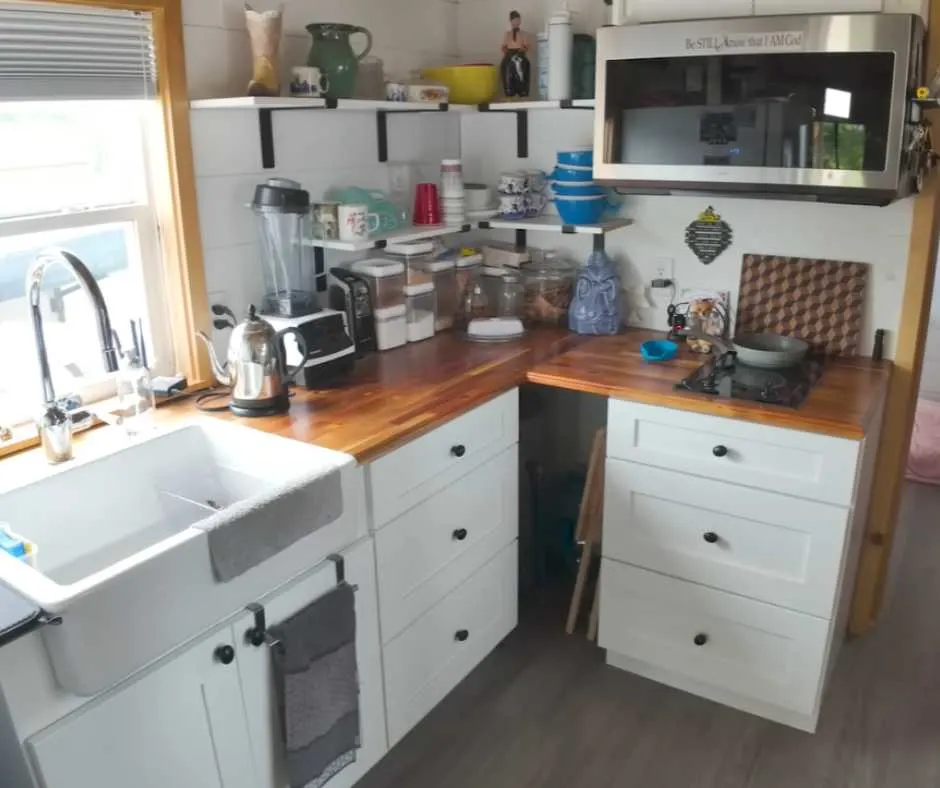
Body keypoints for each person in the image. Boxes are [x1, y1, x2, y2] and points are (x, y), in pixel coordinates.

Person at [500, 10, 531, 98]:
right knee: (507, 75)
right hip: (509, 56)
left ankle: (523, 93)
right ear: (510, 21)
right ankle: (509, 92)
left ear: (520, 21)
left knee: (522, 76)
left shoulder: (524, 34)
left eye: (518, 20)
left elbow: (527, 46)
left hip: (520, 56)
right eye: (514, 20)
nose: (516, 22)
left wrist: (521, 51)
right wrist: (506, 50)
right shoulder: (507, 34)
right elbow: (503, 46)